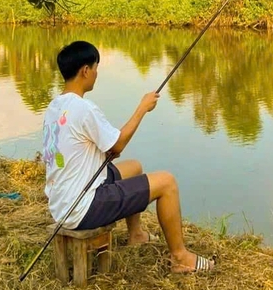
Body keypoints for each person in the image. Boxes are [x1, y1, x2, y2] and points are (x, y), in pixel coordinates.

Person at [42, 40, 215, 273]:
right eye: (95, 68)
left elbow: (94, 150)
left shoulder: (55, 107)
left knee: (134, 167)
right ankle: (180, 258)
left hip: (62, 202)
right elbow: (117, 146)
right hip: (83, 207)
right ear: (85, 70)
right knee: (167, 182)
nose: (96, 73)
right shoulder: (84, 109)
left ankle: (137, 234)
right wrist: (142, 108)